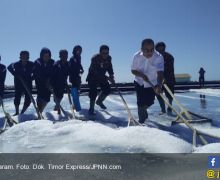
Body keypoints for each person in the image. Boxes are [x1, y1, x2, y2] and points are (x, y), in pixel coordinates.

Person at [131, 39, 164, 124]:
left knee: (150, 101)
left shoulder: (159, 57)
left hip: (152, 83)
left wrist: (159, 86)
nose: (150, 52)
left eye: (152, 50)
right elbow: (133, 70)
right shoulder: (136, 56)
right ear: (141, 49)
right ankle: (141, 121)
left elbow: (160, 73)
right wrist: (142, 75)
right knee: (140, 102)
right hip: (139, 81)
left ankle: (143, 112)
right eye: (147, 50)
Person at [86, 45, 115, 115]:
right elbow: (96, 72)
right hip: (93, 77)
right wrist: (108, 78)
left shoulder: (109, 58)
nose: (105, 55)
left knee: (107, 89)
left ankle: (99, 101)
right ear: (100, 52)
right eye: (103, 53)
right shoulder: (95, 58)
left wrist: (111, 76)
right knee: (93, 93)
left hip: (102, 77)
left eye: (107, 53)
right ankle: (91, 109)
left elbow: (110, 68)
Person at [7, 51, 34, 115]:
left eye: (26, 56)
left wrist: (31, 78)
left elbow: (36, 72)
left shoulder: (32, 64)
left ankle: (22, 113)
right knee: (17, 97)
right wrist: (15, 74)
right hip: (18, 82)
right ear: (20, 57)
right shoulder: (16, 64)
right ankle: (17, 112)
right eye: (23, 56)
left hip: (28, 83)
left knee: (28, 99)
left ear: (28, 57)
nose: (24, 58)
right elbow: (9, 67)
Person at [155, 42, 175, 115]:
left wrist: (165, 78)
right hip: (157, 79)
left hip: (169, 79)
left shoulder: (169, 57)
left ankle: (169, 107)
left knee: (170, 95)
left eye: (162, 50)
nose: (160, 52)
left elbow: (170, 69)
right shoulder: (153, 57)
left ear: (164, 49)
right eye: (158, 50)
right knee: (159, 94)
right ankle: (163, 110)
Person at [33, 48, 55, 113]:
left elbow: (53, 72)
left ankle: (40, 111)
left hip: (49, 83)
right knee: (40, 97)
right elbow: (37, 73)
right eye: (45, 56)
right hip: (40, 82)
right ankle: (39, 112)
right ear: (41, 56)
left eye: (48, 56)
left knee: (47, 98)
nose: (46, 58)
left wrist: (49, 81)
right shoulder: (37, 62)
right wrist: (45, 81)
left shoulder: (52, 62)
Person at [51, 50, 70, 114]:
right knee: (56, 98)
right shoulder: (56, 64)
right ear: (60, 56)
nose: (65, 57)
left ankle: (57, 109)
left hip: (63, 83)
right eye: (63, 56)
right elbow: (53, 75)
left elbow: (68, 73)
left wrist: (66, 84)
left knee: (60, 96)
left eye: (66, 56)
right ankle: (57, 110)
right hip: (55, 83)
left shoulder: (68, 64)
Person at [69, 45, 84, 111]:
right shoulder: (72, 58)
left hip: (78, 76)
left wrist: (81, 69)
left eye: (80, 50)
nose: (79, 52)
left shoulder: (79, 57)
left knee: (78, 91)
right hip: (73, 77)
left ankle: (75, 106)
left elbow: (79, 64)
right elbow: (70, 68)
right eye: (78, 50)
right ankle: (75, 107)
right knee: (75, 91)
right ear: (75, 50)